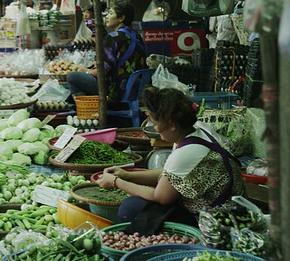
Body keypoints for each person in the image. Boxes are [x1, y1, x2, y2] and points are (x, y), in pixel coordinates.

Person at [96, 87, 244, 227]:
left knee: (130, 208)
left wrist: (116, 182)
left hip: (217, 220)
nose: (154, 128)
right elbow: (169, 175)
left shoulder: (185, 153)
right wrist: (127, 175)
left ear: (172, 125)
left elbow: (160, 196)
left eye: (155, 123)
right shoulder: (195, 132)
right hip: (216, 204)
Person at [66, 0, 146, 103]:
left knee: (72, 77)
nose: (107, 16)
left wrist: (84, 70)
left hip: (116, 90)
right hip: (136, 88)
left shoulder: (112, 38)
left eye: (111, 13)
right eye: (107, 13)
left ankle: (89, 111)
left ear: (121, 18)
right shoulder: (137, 36)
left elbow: (100, 73)